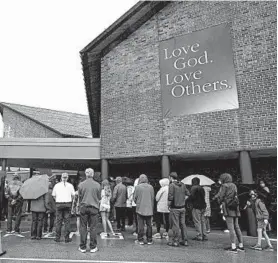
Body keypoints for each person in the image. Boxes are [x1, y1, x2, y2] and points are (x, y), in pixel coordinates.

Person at [214, 173, 244, 253]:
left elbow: (221, 196)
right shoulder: (234, 185)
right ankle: (241, 245)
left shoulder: (224, 186)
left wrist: (218, 200)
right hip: (235, 206)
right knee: (236, 226)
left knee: (231, 228)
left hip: (227, 207)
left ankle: (233, 247)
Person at [78, 168, 101, 253]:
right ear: (93, 174)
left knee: (83, 227)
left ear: (86, 174)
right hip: (94, 207)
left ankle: (82, 247)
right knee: (93, 228)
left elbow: (80, 197)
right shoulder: (97, 185)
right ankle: (93, 247)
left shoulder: (81, 184)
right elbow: (99, 197)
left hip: (84, 207)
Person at [167, 172, 190, 247]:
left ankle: (176, 241)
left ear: (170, 177)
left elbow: (170, 197)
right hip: (182, 207)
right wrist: (183, 200)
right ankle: (185, 240)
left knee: (176, 225)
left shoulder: (171, 185)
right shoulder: (183, 184)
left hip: (175, 208)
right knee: (183, 224)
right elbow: (188, 194)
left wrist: (168, 205)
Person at [52, 173, 75, 243]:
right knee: (67, 222)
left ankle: (57, 238)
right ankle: (66, 238)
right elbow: (73, 195)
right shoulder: (70, 185)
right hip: (67, 204)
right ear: (67, 178)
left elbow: (53, 195)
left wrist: (57, 200)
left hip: (59, 204)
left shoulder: (56, 185)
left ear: (61, 178)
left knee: (58, 221)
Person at [133, 174, 154, 245]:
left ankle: (140, 240)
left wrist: (138, 202)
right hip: (149, 209)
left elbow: (134, 198)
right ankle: (149, 240)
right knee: (149, 225)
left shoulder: (137, 187)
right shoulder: (151, 187)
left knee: (140, 225)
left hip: (140, 209)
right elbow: (152, 198)